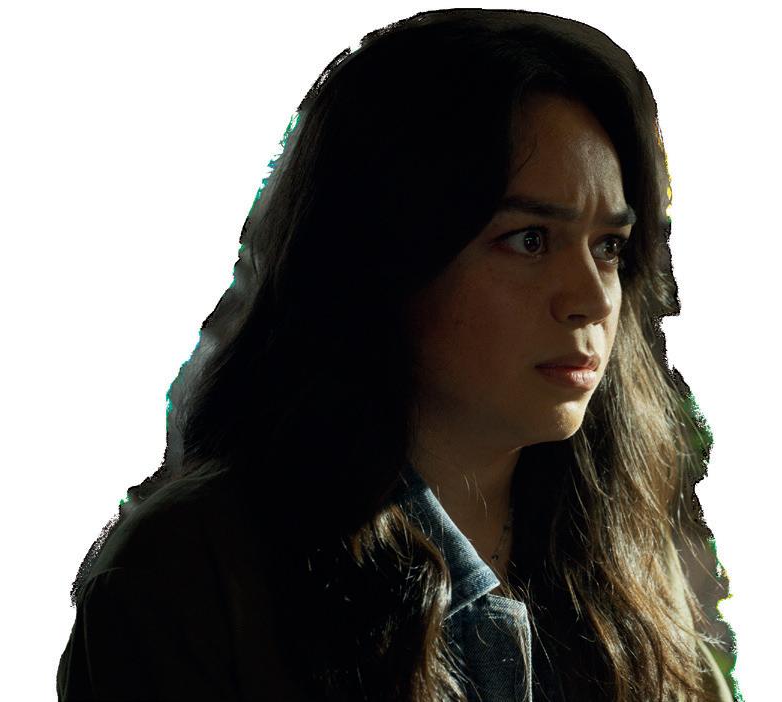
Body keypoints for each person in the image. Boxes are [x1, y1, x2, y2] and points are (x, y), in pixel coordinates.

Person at [56, 8, 741, 702]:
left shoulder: (637, 611)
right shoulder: (191, 580)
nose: (591, 299)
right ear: (386, 252)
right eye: (530, 239)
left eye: (609, 247)